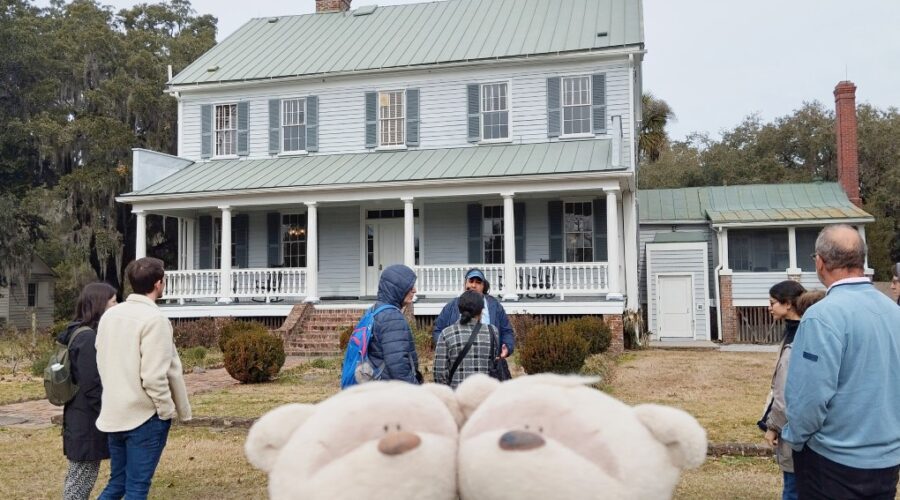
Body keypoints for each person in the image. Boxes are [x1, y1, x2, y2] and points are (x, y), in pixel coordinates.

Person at [782, 225, 900, 499]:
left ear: (820, 262)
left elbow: (808, 400)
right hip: (886, 459)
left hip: (833, 461)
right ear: (862, 259)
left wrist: (796, 439)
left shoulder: (821, 316)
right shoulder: (893, 311)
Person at [95, 257, 192, 500]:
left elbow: (101, 357)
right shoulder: (155, 320)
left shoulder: (110, 316)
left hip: (114, 411)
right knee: (136, 488)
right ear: (159, 283)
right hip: (143, 416)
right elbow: (153, 376)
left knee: (117, 484)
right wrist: (165, 410)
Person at [60, 282, 117, 500]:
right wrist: (109, 413)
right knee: (79, 485)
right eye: (113, 301)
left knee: (79, 479)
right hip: (85, 422)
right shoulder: (87, 338)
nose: (117, 305)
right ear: (100, 305)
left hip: (80, 418)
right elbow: (91, 384)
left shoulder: (80, 333)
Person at [760, 280, 806, 500]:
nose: (769, 307)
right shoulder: (795, 331)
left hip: (793, 427)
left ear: (788, 304)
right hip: (800, 425)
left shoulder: (797, 338)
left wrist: (773, 426)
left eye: (772, 303)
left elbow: (784, 390)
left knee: (792, 487)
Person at [431, 268, 514, 358]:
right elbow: (438, 329)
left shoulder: (495, 307)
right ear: (465, 284)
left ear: (483, 286)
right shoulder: (452, 306)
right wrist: (444, 348)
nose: (474, 285)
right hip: (459, 360)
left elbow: (507, 331)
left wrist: (507, 347)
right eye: (471, 281)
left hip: (489, 360)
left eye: (478, 282)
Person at [366, 264, 422, 384]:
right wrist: (416, 390)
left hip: (376, 386)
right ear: (397, 288)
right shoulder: (392, 318)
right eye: (409, 286)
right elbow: (398, 367)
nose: (414, 290)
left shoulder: (375, 310)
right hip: (390, 392)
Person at [433, 290, 500, 389]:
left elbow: (439, 372)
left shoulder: (446, 334)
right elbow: (493, 362)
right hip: (485, 395)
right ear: (481, 310)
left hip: (457, 396)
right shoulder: (492, 331)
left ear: (459, 309)